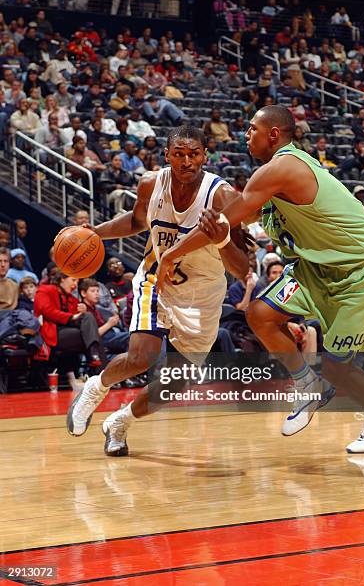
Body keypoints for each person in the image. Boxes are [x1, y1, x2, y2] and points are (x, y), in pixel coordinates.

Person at [157, 105, 364, 454]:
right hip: (318, 269)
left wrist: (171, 253)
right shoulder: (272, 179)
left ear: (273, 134)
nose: (246, 135)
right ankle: (306, 383)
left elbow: (224, 222)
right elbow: (232, 223)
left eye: (252, 129)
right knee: (260, 314)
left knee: (336, 366)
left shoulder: (282, 168)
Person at [66, 125, 249, 455]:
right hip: (156, 281)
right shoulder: (151, 183)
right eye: (179, 154)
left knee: (176, 382)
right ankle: (95, 388)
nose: (187, 161)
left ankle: (121, 421)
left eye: (194, 154)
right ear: (167, 156)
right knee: (142, 357)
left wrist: (221, 238)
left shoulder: (221, 197)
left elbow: (241, 267)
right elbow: (137, 221)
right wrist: (96, 233)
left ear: (205, 157)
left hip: (202, 295)